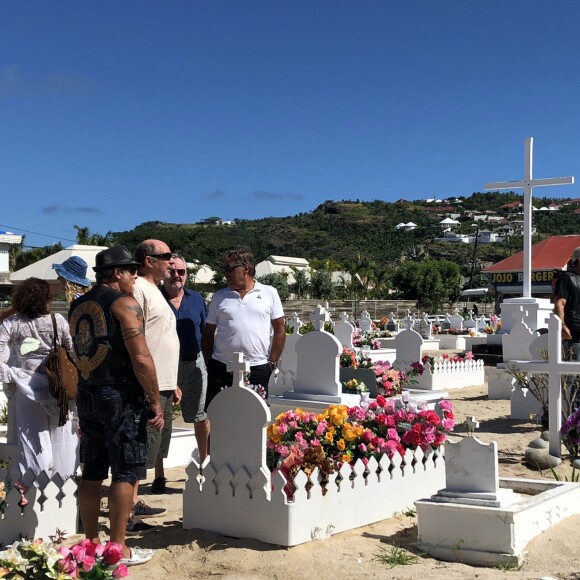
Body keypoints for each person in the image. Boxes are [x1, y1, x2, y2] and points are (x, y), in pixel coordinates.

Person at [68, 245, 163, 566]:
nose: (136, 277)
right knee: (125, 470)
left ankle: (91, 542)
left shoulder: (78, 305)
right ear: (117, 273)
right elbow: (140, 357)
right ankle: (118, 548)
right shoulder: (125, 303)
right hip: (120, 395)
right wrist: (154, 399)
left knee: (92, 471)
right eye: (131, 271)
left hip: (88, 391)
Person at [0, 278, 79, 479]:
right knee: (62, 437)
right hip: (57, 387)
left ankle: (36, 487)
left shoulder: (11, 324)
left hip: (26, 388)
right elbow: (72, 353)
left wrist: (13, 377)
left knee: (32, 440)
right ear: (46, 299)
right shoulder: (57, 320)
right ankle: (64, 486)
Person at [131, 240, 180, 520]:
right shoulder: (139, 287)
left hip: (163, 381)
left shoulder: (155, 290)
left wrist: (171, 380)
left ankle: (135, 500)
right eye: (166, 257)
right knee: (142, 443)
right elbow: (137, 337)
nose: (171, 262)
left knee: (153, 443)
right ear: (149, 260)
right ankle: (131, 502)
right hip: (148, 382)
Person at [202, 247, 286, 409]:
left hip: (257, 369)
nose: (225, 274)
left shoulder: (269, 293)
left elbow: (280, 330)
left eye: (229, 269)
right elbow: (208, 332)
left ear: (245, 268)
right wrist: (209, 363)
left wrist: (271, 363)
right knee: (218, 418)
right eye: (224, 269)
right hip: (221, 369)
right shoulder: (220, 296)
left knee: (254, 419)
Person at [161, 255, 209, 476]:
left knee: (200, 416)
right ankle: (159, 472)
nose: (176, 276)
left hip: (194, 363)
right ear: (164, 273)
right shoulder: (155, 299)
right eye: (171, 271)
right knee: (161, 418)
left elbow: (207, 332)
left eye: (181, 271)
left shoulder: (197, 299)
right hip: (164, 366)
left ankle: (204, 464)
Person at [554, 246, 580, 362]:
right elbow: (559, 303)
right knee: (571, 373)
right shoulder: (566, 278)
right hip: (574, 334)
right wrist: (562, 325)